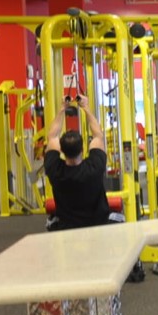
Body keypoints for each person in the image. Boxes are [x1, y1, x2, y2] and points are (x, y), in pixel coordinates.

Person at [43, 98, 113, 231]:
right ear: (82, 149)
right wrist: (86, 107)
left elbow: (52, 137)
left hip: (67, 230)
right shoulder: (94, 168)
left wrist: (62, 108)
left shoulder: (55, 170)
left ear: (61, 150)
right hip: (99, 227)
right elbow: (98, 136)